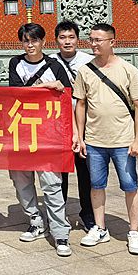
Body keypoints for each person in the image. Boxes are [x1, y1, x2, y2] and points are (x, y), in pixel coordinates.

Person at [74, 23, 138, 255]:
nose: (93, 44)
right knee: (96, 185)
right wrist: (80, 136)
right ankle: (100, 228)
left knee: (130, 185)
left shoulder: (128, 70)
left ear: (112, 42)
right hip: (94, 140)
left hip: (123, 141)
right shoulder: (85, 70)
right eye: (91, 40)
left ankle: (133, 232)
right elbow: (80, 104)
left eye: (98, 40)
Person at [7, 23, 74, 257]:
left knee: (52, 184)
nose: (30, 45)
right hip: (21, 133)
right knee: (21, 180)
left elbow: (67, 95)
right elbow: (16, 93)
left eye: (34, 40)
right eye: (26, 41)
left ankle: (60, 232)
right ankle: (35, 220)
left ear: (43, 42)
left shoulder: (55, 65)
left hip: (48, 135)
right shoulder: (16, 63)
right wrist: (47, 86)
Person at [51, 20, 95, 231]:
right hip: (59, 125)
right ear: (56, 40)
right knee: (60, 173)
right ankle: (60, 216)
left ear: (78, 39)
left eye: (71, 37)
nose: (67, 42)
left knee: (85, 172)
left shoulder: (89, 61)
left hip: (85, 123)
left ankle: (88, 214)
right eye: (62, 37)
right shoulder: (50, 62)